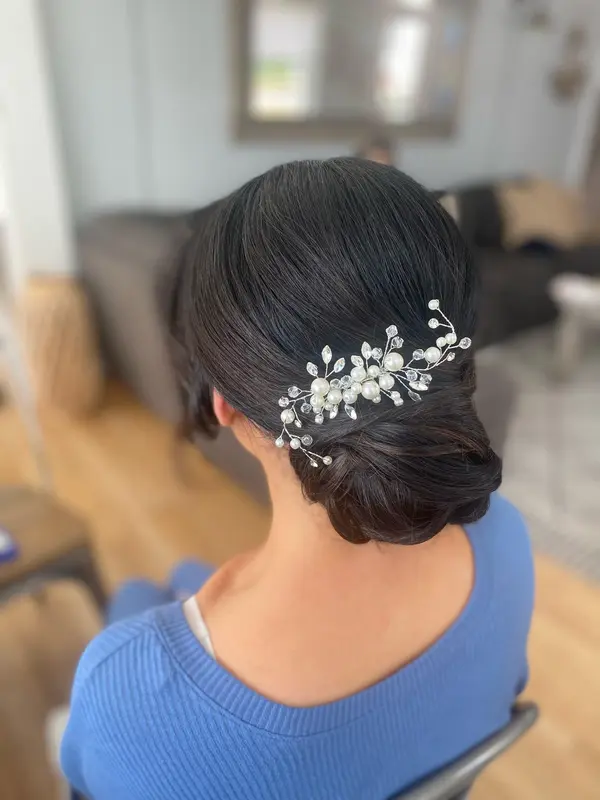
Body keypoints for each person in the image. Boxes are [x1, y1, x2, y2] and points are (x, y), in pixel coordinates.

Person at [61, 158, 534, 800]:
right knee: (178, 584)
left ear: (225, 405)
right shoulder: (504, 540)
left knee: (143, 591)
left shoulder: (123, 700)